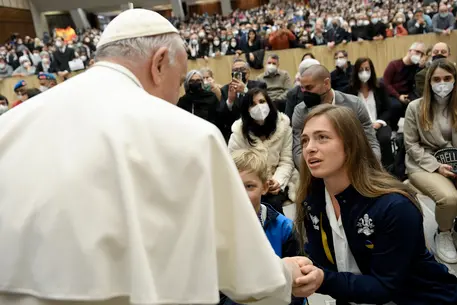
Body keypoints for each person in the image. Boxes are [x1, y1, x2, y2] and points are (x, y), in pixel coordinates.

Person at [0, 9, 315, 305]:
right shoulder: (191, 133)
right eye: (178, 82)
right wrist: (284, 274)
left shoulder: (10, 125)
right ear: (160, 62)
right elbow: (244, 269)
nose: (178, 95)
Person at [294, 103, 457, 304]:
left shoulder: (394, 206)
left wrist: (322, 279)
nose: (309, 148)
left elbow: (384, 287)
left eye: (322, 137)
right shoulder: (313, 202)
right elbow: (320, 260)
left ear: (350, 144)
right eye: (305, 140)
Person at [219, 149, 303, 305]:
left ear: (265, 187)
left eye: (249, 186)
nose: (240, 193)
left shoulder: (285, 229)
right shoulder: (216, 230)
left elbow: (297, 287)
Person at [404, 59, 457, 264]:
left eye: (447, 78)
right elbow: (411, 145)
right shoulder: (415, 108)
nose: (442, 83)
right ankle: (443, 232)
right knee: (449, 198)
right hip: (423, 164)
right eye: (436, 79)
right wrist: (436, 167)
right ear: (429, 82)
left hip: (454, 161)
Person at [291, 65, 380, 168]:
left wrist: (371, 167)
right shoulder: (300, 111)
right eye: (302, 88)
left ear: (326, 83)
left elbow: (370, 142)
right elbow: (298, 149)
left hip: (354, 166)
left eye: (309, 87)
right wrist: (311, 173)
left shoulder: (354, 104)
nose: (305, 93)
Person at [228, 88, 299, 214]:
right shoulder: (238, 133)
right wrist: (258, 183)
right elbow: (234, 165)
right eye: (253, 104)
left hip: (278, 181)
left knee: (273, 203)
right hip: (250, 182)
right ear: (247, 109)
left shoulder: (284, 127)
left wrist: (277, 182)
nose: (259, 107)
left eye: (262, 101)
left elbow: (286, 161)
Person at [347, 58, 394, 168]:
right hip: (359, 126)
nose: (364, 72)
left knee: (384, 138)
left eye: (367, 69)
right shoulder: (350, 90)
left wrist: (379, 122)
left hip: (379, 123)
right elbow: (347, 112)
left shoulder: (380, 87)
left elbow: (388, 109)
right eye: (361, 70)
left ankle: (389, 168)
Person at [219, 59, 267, 141]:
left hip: (255, 128)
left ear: (248, 73)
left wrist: (245, 91)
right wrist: (230, 101)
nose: (238, 72)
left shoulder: (259, 86)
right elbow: (221, 116)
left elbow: (263, 108)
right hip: (233, 132)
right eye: (235, 70)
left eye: (241, 70)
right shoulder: (225, 89)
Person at [383, 42, 425, 131]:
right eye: (417, 52)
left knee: (419, 105)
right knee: (396, 106)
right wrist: (398, 96)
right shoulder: (394, 64)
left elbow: (418, 83)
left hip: (408, 94)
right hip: (393, 94)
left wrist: (421, 67)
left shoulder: (416, 67)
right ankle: (393, 129)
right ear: (409, 51)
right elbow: (386, 84)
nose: (419, 55)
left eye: (421, 53)